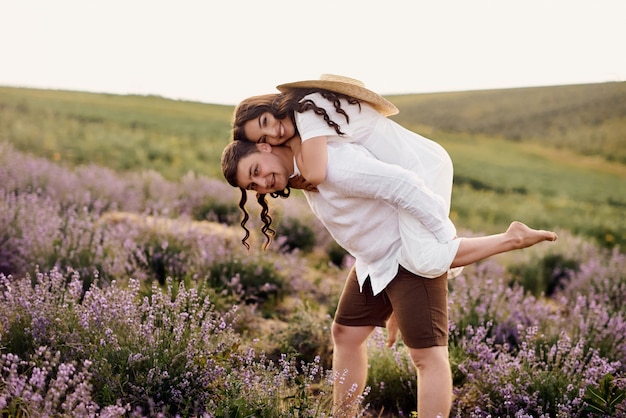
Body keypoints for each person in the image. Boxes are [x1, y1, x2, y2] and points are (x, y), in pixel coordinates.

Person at [221, 138, 557, 417]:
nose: (263, 183)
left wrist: (441, 240)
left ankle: (511, 238)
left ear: (265, 147)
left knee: (426, 356)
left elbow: (401, 184)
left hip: (406, 254)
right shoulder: (305, 169)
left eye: (257, 171)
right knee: (346, 333)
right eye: (253, 185)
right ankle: (343, 415)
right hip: (375, 261)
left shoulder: (333, 162)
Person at [233, 74, 464, 280]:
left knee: (424, 258)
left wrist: (294, 144)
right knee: (418, 258)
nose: (274, 133)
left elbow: (314, 174)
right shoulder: (304, 124)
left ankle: (488, 244)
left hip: (421, 164)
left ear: (269, 105)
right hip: (415, 163)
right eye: (265, 138)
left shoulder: (307, 111)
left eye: (266, 122)